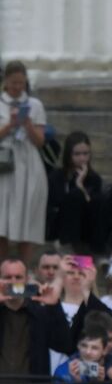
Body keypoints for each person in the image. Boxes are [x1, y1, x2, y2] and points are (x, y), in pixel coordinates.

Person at [1, 60, 49, 267]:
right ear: (5, 82)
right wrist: (9, 125)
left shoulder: (35, 105)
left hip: (28, 164)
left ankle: (24, 269)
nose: (17, 87)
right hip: (4, 164)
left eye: (21, 83)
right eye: (13, 83)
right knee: (1, 218)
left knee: (28, 218)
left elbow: (40, 141)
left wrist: (27, 123)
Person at [46, 132, 104, 254]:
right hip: (62, 228)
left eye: (85, 154)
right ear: (69, 155)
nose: (82, 158)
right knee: (75, 196)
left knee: (98, 200)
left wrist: (80, 184)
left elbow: (92, 205)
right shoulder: (56, 176)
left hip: (85, 228)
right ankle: (68, 248)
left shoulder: (94, 178)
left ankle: (96, 252)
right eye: (77, 154)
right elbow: (56, 203)